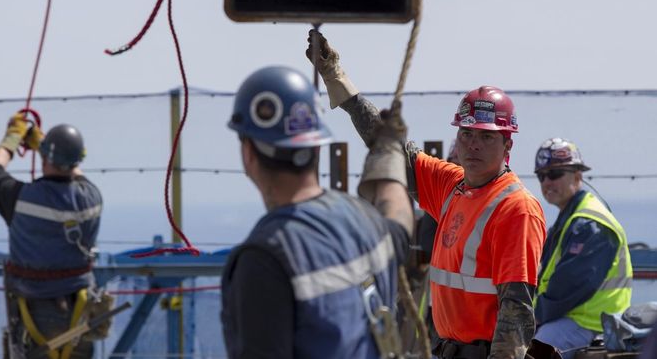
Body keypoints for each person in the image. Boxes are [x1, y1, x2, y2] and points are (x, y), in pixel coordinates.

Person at [306, 30, 547, 359]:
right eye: (466, 134)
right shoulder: (453, 185)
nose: (473, 144)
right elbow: (391, 146)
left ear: (508, 145)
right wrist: (338, 80)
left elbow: (516, 311)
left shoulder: (515, 208)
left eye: (486, 137)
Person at [221, 65, 415, 359]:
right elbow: (399, 221)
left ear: (248, 154)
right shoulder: (365, 219)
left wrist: (386, 150)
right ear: (317, 148)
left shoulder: (265, 260)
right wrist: (388, 151)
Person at [0, 113, 103, 359]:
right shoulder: (92, 198)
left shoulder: (21, 200)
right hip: (80, 311)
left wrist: (12, 139)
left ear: (46, 158)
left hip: (34, 313)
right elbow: (74, 170)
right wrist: (43, 146)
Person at [532, 138, 632, 359]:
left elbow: (571, 284)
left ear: (577, 176)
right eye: (542, 176)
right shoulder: (570, 218)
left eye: (555, 174)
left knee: (533, 351)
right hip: (573, 317)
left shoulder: (589, 223)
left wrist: (535, 315)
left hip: (591, 323)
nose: (547, 182)